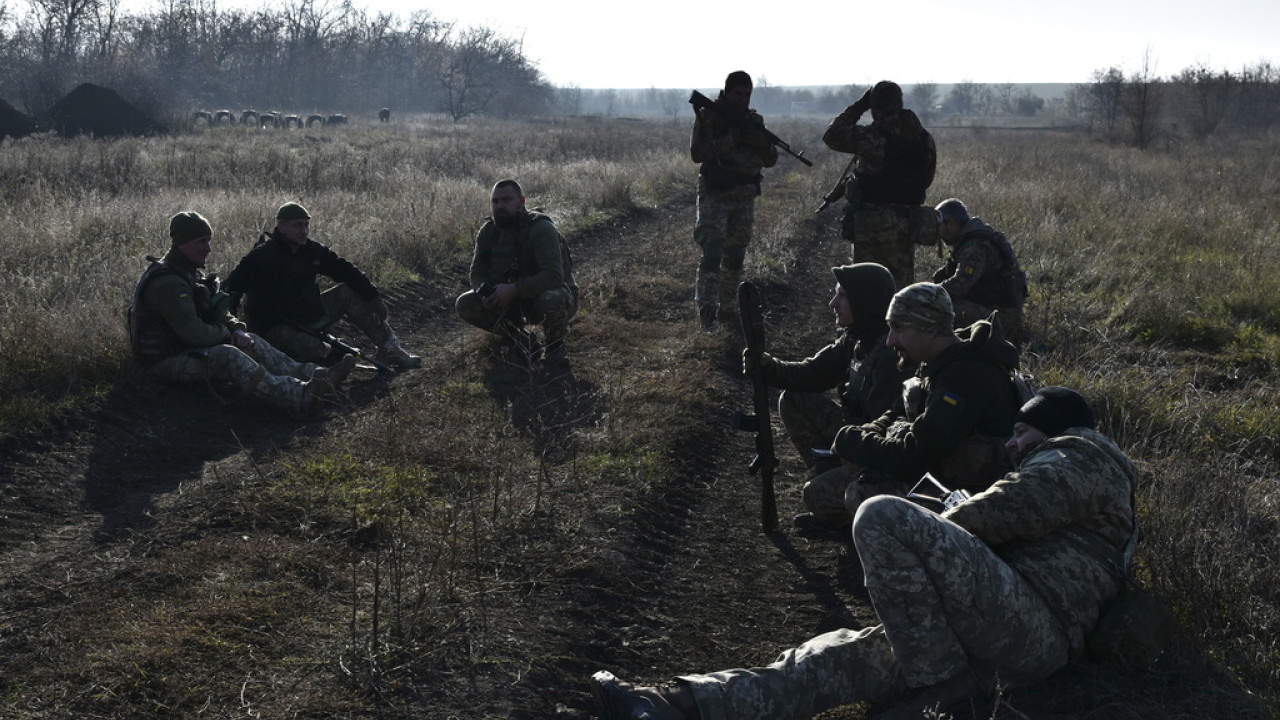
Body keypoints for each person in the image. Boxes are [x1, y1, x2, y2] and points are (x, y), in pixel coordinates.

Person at [591, 386, 1138, 720]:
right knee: (832, 659)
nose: (1012, 445)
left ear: (1052, 430)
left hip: (1032, 627)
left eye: (1021, 433)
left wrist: (926, 523)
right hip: (993, 628)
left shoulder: (1084, 454)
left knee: (880, 513)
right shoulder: (1069, 467)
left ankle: (941, 686)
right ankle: (676, 705)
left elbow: (1007, 511)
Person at [828, 281, 1026, 532]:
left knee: (862, 494)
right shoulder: (935, 362)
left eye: (898, 328)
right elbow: (896, 411)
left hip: (975, 498)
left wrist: (852, 442)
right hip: (937, 474)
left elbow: (914, 456)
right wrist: (866, 433)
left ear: (929, 328)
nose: (890, 340)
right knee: (821, 492)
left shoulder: (965, 377)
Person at [128, 211, 356, 418]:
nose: (207, 248)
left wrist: (236, 328)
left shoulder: (187, 273)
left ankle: (317, 376)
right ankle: (298, 396)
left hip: (185, 350)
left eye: (208, 241)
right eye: (201, 242)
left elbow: (218, 311)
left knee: (252, 341)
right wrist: (227, 335)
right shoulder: (168, 283)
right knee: (229, 355)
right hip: (163, 362)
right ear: (182, 244)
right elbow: (193, 332)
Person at [742, 263, 913, 533]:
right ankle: (831, 475)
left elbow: (887, 437)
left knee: (816, 494)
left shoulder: (890, 356)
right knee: (794, 399)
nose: (833, 303)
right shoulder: (856, 339)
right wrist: (769, 367)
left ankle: (851, 516)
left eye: (842, 295)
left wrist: (852, 456)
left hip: (878, 454)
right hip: (855, 437)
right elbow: (813, 373)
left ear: (864, 301)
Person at [222, 202, 420, 369]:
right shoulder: (260, 257)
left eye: (306, 225)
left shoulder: (312, 250)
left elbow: (346, 270)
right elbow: (230, 290)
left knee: (347, 292)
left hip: (308, 316)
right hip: (273, 328)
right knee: (314, 349)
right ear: (281, 227)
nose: (304, 231)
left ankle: (390, 349)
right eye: (297, 225)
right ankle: (322, 364)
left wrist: (373, 297)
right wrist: (233, 332)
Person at [822, 81, 937, 290]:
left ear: (874, 108)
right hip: (906, 226)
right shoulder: (924, 139)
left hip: (870, 226)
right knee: (899, 291)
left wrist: (858, 106)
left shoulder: (872, 137)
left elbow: (831, 136)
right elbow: (926, 180)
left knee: (867, 291)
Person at [455, 179, 578, 369]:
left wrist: (514, 289)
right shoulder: (488, 232)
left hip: (550, 299)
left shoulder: (541, 229)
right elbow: (476, 271)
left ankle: (555, 347)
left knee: (551, 298)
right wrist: (484, 291)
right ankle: (520, 340)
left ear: (521, 201)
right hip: (511, 301)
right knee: (465, 303)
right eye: (495, 202)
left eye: (506, 200)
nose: (500, 206)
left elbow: (554, 276)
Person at [690, 71, 779, 331]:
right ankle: (707, 314)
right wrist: (732, 140)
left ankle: (727, 309)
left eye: (747, 94)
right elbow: (697, 153)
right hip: (715, 195)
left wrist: (760, 143)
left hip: (744, 195)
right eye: (738, 93)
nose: (742, 99)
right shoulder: (710, 116)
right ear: (727, 92)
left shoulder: (754, 121)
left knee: (736, 255)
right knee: (712, 252)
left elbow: (771, 159)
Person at [932, 198, 1029, 344]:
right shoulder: (972, 239)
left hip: (1002, 317)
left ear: (950, 223)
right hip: (996, 308)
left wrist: (928, 295)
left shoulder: (974, 248)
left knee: (946, 308)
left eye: (940, 227)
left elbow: (959, 286)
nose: (939, 234)